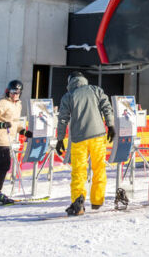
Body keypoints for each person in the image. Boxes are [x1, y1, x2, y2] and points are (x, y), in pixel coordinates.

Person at [55, 72, 114, 216]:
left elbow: (63, 119)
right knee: (99, 167)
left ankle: (78, 203)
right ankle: (97, 200)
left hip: (78, 139)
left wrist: (60, 139)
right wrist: (110, 125)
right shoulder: (95, 90)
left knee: (79, 171)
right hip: (98, 136)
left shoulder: (68, 96)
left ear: (70, 82)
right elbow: (107, 107)